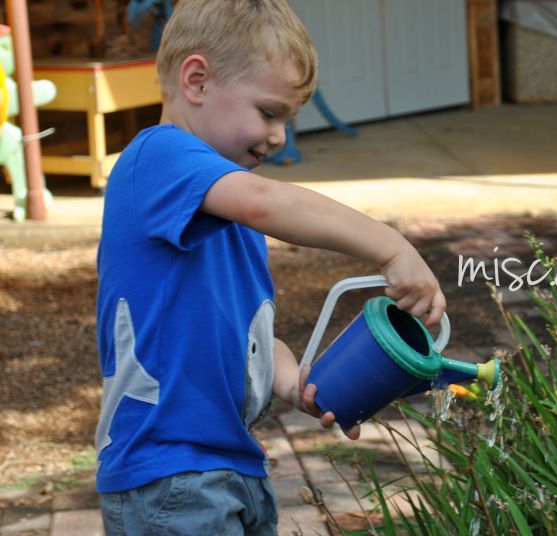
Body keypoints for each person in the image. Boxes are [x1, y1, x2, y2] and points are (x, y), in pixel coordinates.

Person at [94, 0, 446, 533]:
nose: (280, 136)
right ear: (197, 81)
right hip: (168, 469)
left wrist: (295, 382)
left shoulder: (225, 213)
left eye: (287, 118)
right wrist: (390, 246)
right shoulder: (158, 158)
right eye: (268, 112)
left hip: (230, 462)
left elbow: (251, 340)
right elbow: (268, 202)